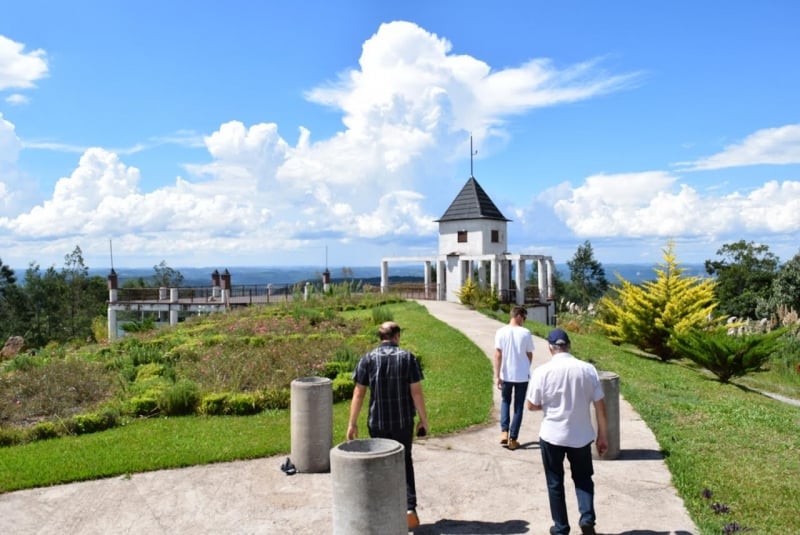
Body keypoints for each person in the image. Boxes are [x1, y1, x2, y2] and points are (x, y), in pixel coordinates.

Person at [347, 321, 429, 530]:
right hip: (402, 421)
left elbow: (359, 393)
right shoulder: (407, 358)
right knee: (405, 462)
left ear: (380, 337)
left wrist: (352, 423)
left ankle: (382, 511)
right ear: (397, 336)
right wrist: (423, 419)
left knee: (380, 465)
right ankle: (409, 509)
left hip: (378, 422)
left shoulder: (367, 359)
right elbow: (416, 392)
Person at [526, 328, 608, 535]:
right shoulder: (588, 369)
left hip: (552, 435)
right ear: (569, 346)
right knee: (583, 478)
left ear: (550, 348)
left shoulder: (541, 372)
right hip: (581, 436)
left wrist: (547, 405)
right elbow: (600, 405)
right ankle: (587, 518)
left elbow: (531, 405)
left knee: (555, 482)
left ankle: (561, 528)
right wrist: (603, 436)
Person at [493, 305, 534, 450]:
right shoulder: (526, 333)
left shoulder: (500, 332)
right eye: (524, 317)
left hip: (506, 374)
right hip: (522, 375)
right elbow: (529, 354)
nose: (524, 320)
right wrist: (525, 366)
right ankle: (513, 439)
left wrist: (497, 375)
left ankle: (504, 432)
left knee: (505, 401)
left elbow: (498, 355)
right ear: (518, 316)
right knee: (518, 407)